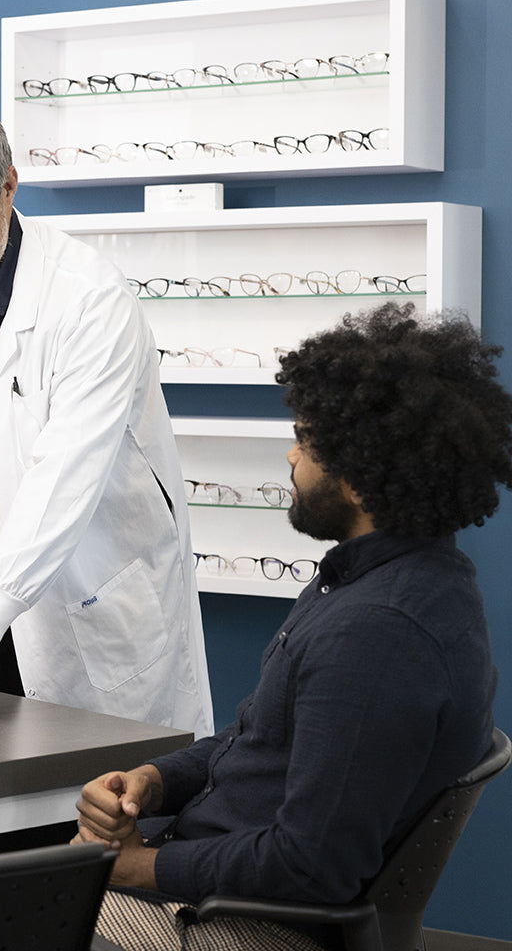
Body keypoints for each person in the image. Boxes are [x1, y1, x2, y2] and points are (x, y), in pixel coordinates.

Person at [74, 303, 510, 951]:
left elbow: (311, 866)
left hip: (250, 925)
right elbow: (258, 741)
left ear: (359, 476)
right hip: (221, 888)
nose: (290, 453)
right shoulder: (396, 583)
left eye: (305, 439)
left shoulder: (376, 635)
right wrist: (157, 780)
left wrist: (140, 866)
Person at [0, 99, 213, 735]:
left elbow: (66, 477)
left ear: (8, 184)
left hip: (87, 590)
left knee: (113, 795)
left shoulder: (91, 299)